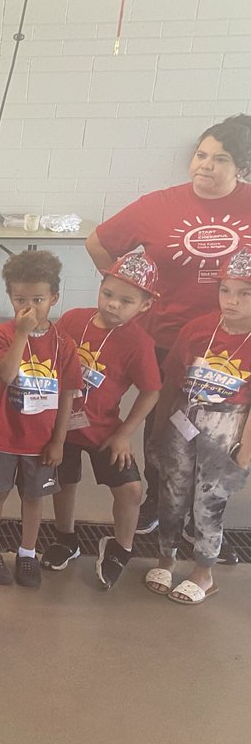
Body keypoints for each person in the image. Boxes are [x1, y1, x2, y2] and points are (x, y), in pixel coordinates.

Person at [84, 114, 251, 536]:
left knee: (220, 432)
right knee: (163, 427)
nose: (205, 166)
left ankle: (205, 514)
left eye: (220, 159)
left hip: (232, 345)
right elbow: (98, 243)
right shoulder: (158, 205)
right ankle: (158, 500)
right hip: (165, 338)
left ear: (243, 168)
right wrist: (131, 296)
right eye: (201, 155)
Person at [41, 253, 162, 589]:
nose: (113, 305)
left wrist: (124, 434)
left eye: (127, 301)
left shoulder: (139, 343)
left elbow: (151, 391)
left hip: (104, 429)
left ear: (145, 305)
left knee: (130, 489)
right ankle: (65, 538)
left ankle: (122, 546)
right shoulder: (71, 321)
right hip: (61, 425)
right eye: (108, 294)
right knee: (63, 481)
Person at [144, 247, 251, 605]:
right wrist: (158, 432)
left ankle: (203, 572)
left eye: (245, 292)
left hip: (227, 429)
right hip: (183, 420)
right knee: (172, 491)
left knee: (209, 502)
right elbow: (172, 381)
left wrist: (244, 456)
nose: (231, 300)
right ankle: (166, 558)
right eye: (225, 290)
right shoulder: (199, 328)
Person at [0, 250, 83, 589]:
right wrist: (22, 334)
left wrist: (59, 440)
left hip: (41, 440)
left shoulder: (64, 344)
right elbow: (6, 375)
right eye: (20, 298)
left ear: (53, 298)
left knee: (34, 498)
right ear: (9, 297)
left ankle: (27, 552)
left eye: (38, 299)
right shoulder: (4, 335)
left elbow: (68, 393)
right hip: (3, 435)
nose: (30, 307)